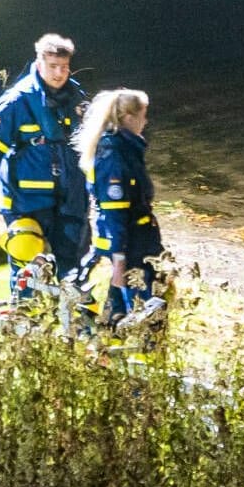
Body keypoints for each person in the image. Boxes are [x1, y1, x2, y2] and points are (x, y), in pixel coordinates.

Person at [0, 34, 90, 295]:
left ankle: (69, 318)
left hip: (70, 196)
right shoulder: (18, 101)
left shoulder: (77, 98)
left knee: (72, 259)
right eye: (53, 67)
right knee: (27, 257)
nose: (59, 73)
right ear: (39, 64)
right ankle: (24, 317)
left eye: (64, 67)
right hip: (27, 198)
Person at [75, 88, 165, 325]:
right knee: (140, 310)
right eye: (143, 115)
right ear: (128, 118)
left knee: (125, 309)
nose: (145, 121)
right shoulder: (114, 155)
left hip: (138, 240)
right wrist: (119, 259)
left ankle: (114, 339)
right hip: (131, 245)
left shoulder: (124, 148)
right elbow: (115, 211)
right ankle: (135, 352)